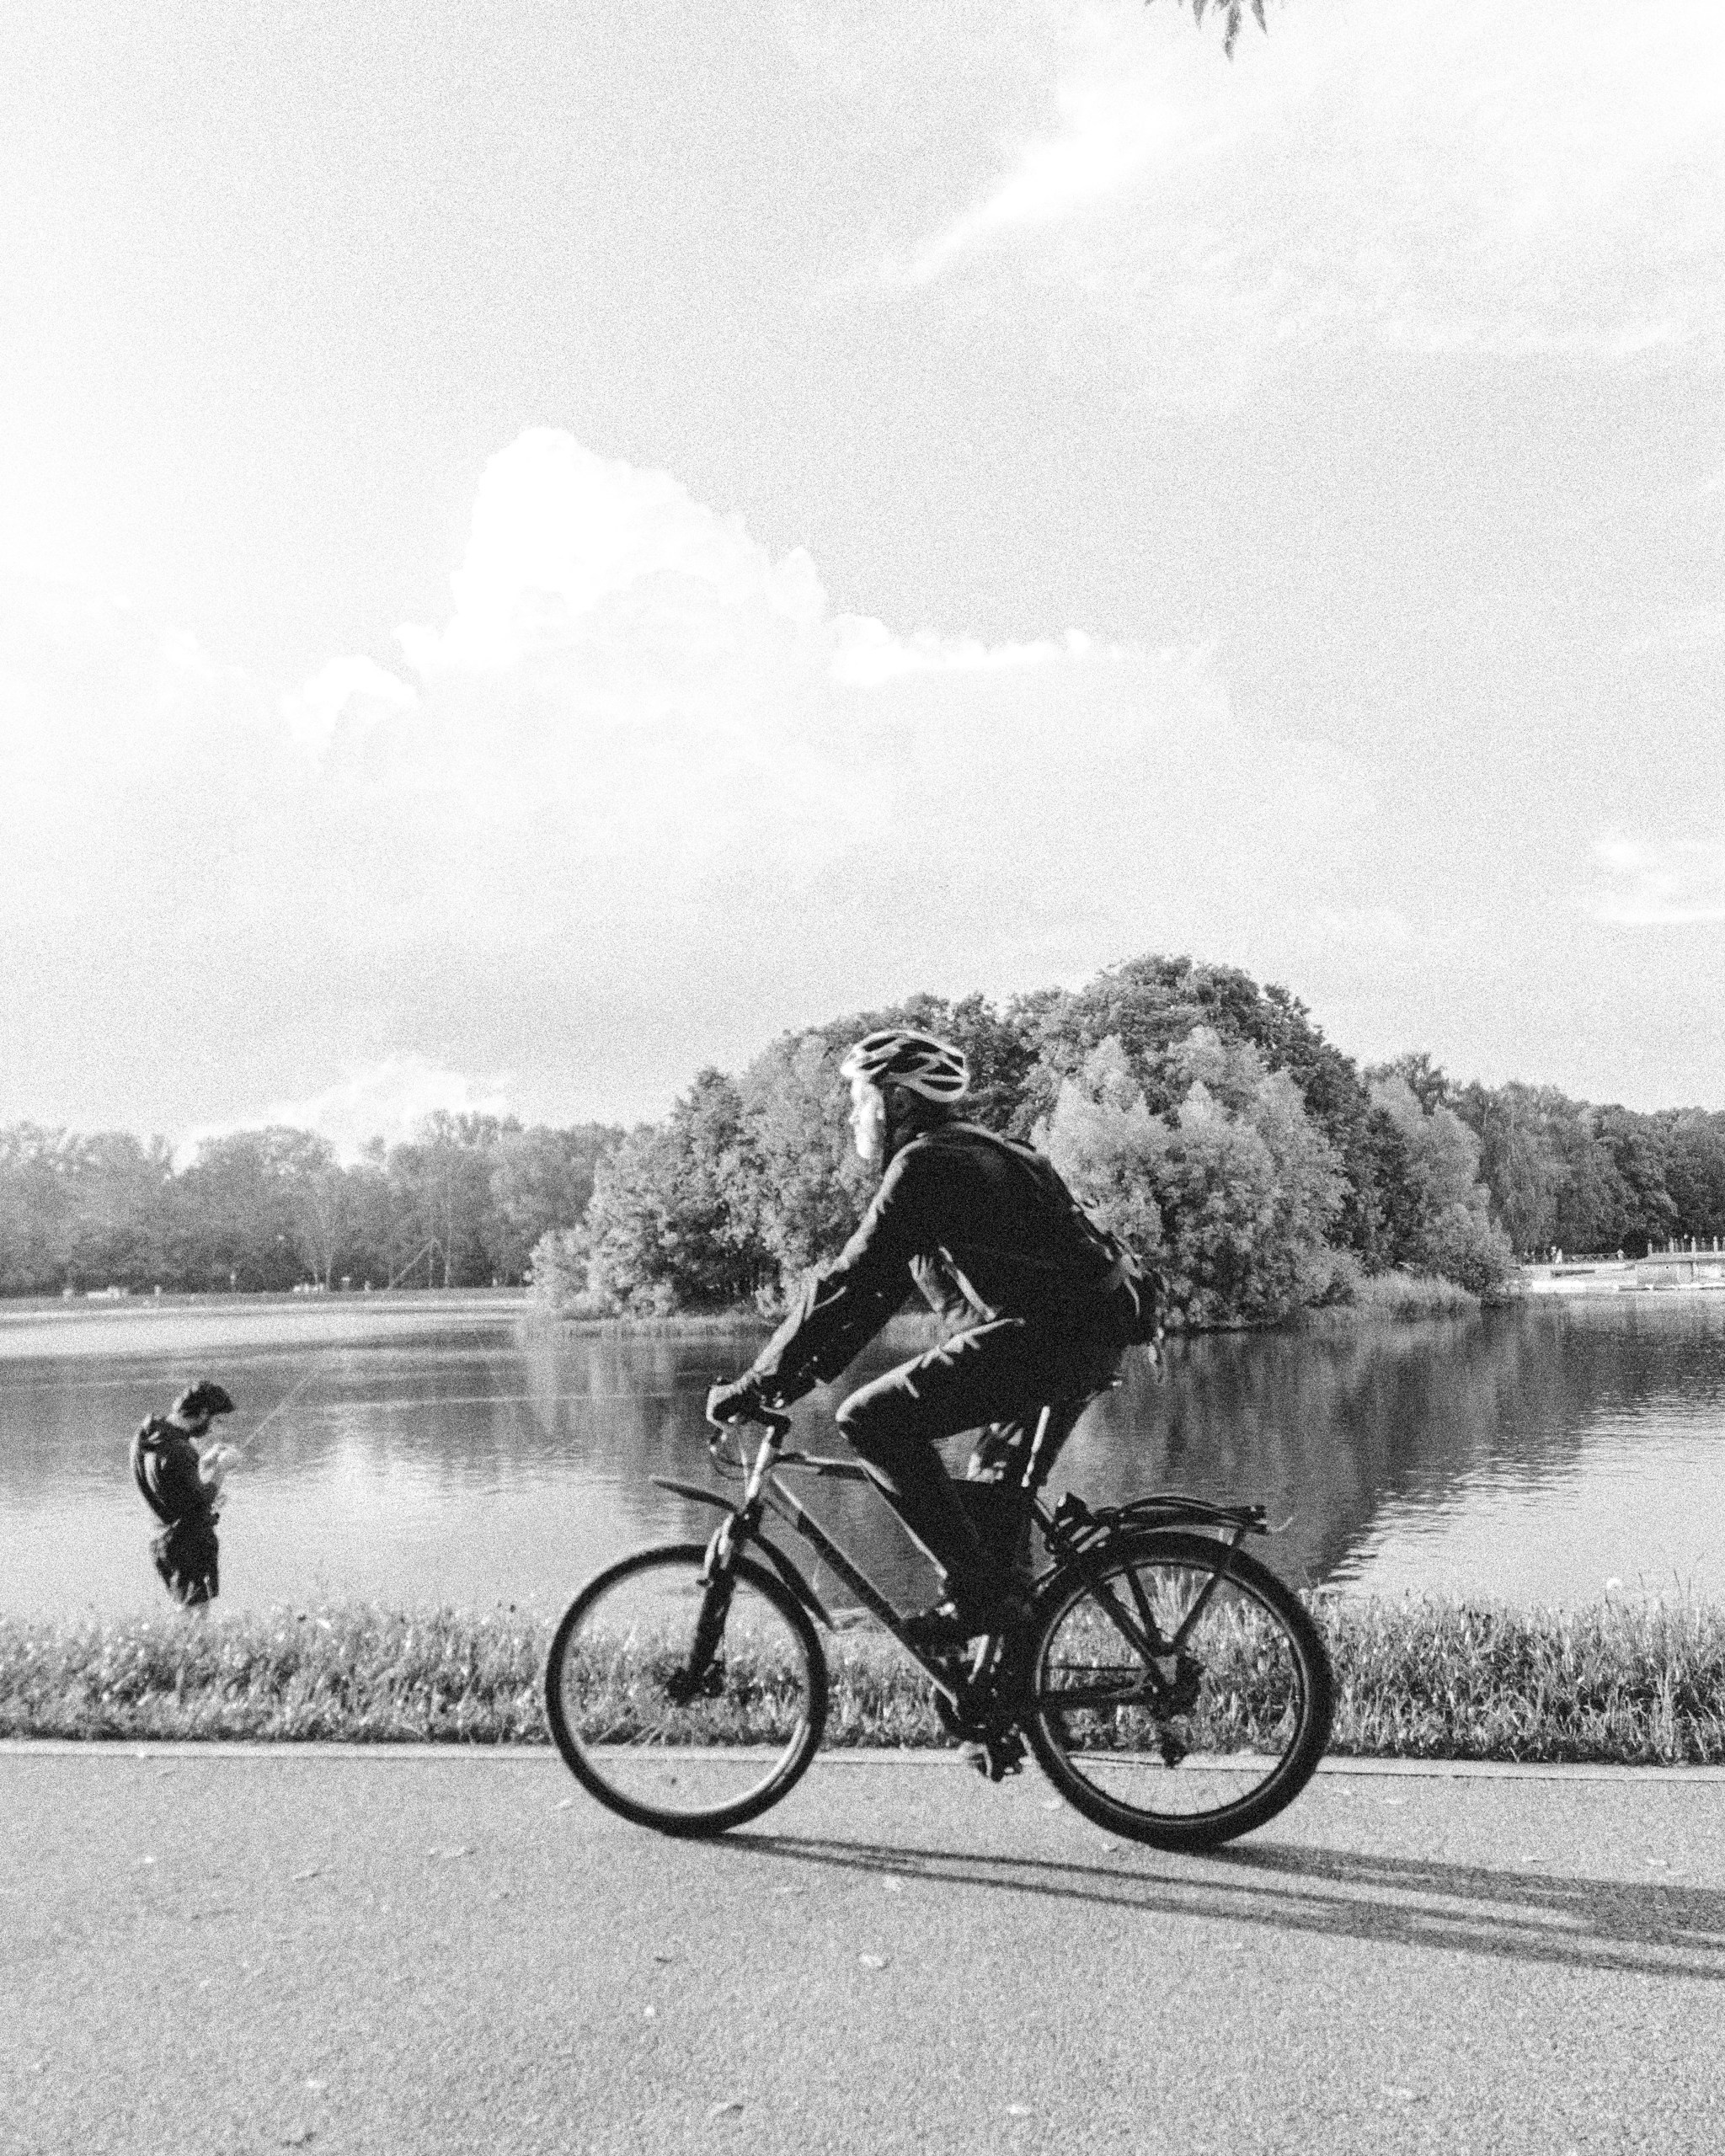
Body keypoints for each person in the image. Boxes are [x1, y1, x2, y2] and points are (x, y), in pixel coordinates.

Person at [706, 1027, 1156, 1651]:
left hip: (1048, 1342)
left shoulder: (925, 1165)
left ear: (895, 1099)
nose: (854, 1115)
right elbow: (873, 1298)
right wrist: (790, 1381)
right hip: (1082, 1339)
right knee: (993, 1502)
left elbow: (848, 1283)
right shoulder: (993, 1151)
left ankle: (977, 1596)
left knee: (871, 1420)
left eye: (861, 1099)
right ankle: (1003, 1684)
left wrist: (758, 1384)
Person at [131, 1380, 238, 1608]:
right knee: (197, 1616)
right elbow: (201, 1501)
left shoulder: (148, 1437)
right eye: (216, 1420)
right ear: (203, 1413)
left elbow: (170, 1484)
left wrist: (203, 1463)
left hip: (164, 1543)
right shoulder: (179, 1450)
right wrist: (221, 1469)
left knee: (184, 1612)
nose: (213, 1429)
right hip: (189, 1546)